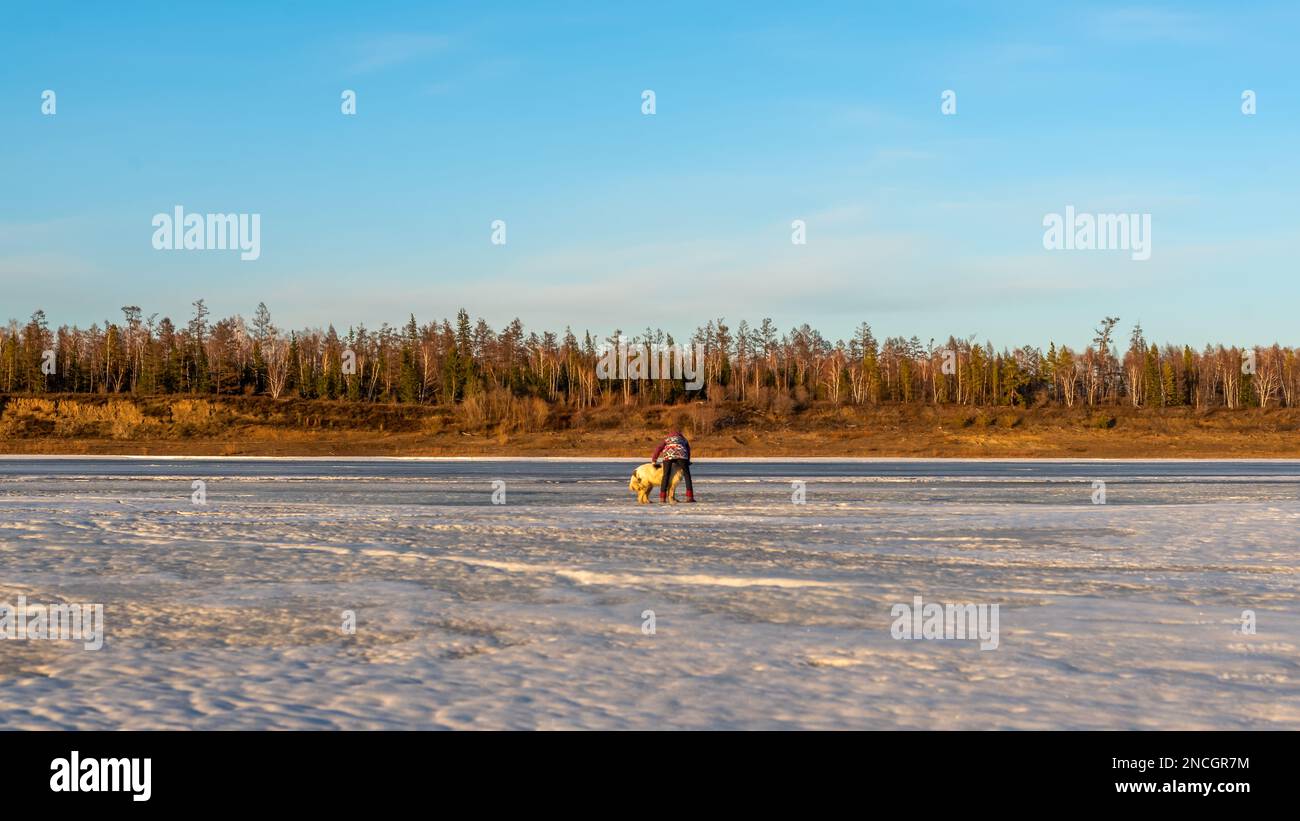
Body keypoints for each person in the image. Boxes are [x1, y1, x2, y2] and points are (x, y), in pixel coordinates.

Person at [652, 429, 695, 503]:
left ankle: (662, 498)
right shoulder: (683, 439)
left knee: (666, 476)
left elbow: (659, 448)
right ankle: (689, 497)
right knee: (687, 475)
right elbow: (688, 450)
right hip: (681, 456)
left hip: (668, 456)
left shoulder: (667, 439)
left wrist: (654, 459)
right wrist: (687, 460)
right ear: (680, 435)